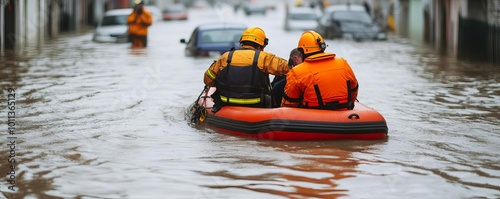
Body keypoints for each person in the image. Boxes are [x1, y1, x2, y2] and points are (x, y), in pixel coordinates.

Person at [203, 27, 290, 110]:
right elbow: (289, 68)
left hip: (227, 103)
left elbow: (208, 80)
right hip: (256, 104)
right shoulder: (264, 58)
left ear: (242, 43)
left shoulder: (226, 57)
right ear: (260, 46)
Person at [282, 30, 359, 110]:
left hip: (311, 115)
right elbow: (353, 89)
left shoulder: (296, 72)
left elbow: (289, 104)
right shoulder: (343, 63)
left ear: (301, 51)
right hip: (344, 111)